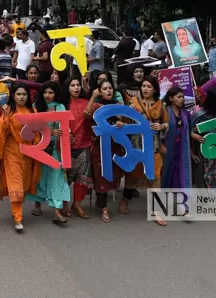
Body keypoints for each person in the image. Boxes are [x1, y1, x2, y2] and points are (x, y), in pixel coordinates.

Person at [121, 77, 168, 225]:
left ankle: (156, 211)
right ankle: (125, 200)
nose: (145, 89)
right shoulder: (132, 103)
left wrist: (162, 127)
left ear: (154, 89)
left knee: (155, 175)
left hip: (153, 145)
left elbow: (166, 123)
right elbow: (125, 121)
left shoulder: (161, 105)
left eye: (148, 86)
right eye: (143, 86)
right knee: (133, 174)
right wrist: (121, 124)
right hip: (135, 144)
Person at [0, 82, 39, 232]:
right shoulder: (9, 111)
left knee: (25, 184)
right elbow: (3, 132)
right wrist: (5, 118)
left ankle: (18, 211)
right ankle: (18, 218)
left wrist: (37, 145)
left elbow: (38, 131)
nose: (21, 97)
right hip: (12, 152)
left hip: (29, 153)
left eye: (24, 94)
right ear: (13, 95)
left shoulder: (33, 111)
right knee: (16, 185)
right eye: (18, 94)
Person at [26, 81, 70, 224]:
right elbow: (31, 128)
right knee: (40, 176)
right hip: (40, 148)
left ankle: (56, 210)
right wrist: (49, 131)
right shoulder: (36, 107)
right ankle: (37, 205)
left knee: (56, 178)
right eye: (45, 92)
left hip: (56, 149)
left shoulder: (60, 107)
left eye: (51, 93)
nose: (48, 95)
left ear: (55, 94)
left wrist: (65, 134)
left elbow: (66, 127)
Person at [85, 78, 124, 222]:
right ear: (100, 91)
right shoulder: (96, 105)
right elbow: (86, 114)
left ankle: (101, 202)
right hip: (99, 145)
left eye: (110, 88)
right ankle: (104, 208)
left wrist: (121, 123)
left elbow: (127, 121)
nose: (108, 90)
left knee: (112, 175)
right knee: (101, 175)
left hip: (115, 145)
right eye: (105, 89)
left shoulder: (119, 105)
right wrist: (93, 96)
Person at [190, 87, 216, 189]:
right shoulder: (198, 112)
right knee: (207, 175)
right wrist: (192, 134)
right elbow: (187, 129)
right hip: (205, 149)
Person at [62, 76, 92, 219]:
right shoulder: (63, 104)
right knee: (66, 178)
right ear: (67, 87)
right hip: (67, 146)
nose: (76, 88)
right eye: (72, 85)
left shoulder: (87, 102)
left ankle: (77, 204)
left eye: (78, 85)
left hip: (84, 144)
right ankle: (64, 205)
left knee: (82, 177)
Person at [162, 87, 193, 195]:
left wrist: (190, 151)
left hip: (181, 148)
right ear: (171, 98)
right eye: (179, 97)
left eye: (183, 97)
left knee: (180, 173)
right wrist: (161, 146)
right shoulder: (164, 111)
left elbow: (188, 132)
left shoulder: (185, 114)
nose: (182, 99)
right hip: (167, 147)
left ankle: (181, 201)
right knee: (165, 173)